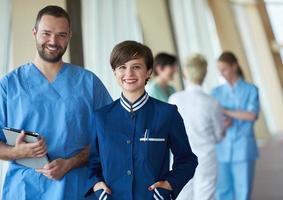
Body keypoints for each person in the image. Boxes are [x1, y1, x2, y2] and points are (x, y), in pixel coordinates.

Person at [0, 5, 112, 200]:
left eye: (61, 35)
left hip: (78, 189)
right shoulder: (8, 86)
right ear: (34, 32)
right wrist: (16, 151)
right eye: (46, 33)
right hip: (25, 190)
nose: (53, 41)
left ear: (69, 36)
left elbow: (110, 134)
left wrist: (71, 163)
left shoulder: (88, 83)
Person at [85, 41, 198, 200]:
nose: (129, 73)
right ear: (115, 72)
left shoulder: (168, 114)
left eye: (136, 67)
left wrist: (168, 185)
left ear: (149, 72)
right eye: (122, 67)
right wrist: (97, 185)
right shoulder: (101, 117)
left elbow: (187, 160)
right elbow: (93, 163)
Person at [169, 54, 228, 200]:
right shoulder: (212, 103)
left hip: (180, 158)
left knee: (182, 195)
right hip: (205, 158)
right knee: (205, 195)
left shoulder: (174, 99)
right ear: (205, 73)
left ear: (185, 73)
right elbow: (219, 135)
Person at [211, 51, 260, 200]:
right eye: (220, 71)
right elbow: (213, 118)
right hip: (222, 148)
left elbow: (251, 115)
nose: (222, 74)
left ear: (235, 66)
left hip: (243, 148)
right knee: (223, 191)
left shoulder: (251, 89)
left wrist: (226, 111)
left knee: (243, 191)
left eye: (224, 69)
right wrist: (229, 118)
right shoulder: (215, 92)